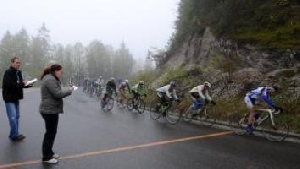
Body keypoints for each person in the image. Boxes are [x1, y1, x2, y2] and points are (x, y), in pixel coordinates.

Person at [39, 64, 74, 164]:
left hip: (51, 110)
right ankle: (46, 157)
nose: (61, 73)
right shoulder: (50, 79)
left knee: (51, 133)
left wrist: (67, 88)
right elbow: (58, 93)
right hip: (49, 110)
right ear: (55, 71)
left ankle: (49, 152)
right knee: (49, 134)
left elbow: (59, 89)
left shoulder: (51, 78)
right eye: (60, 71)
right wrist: (70, 90)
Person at [2, 57, 32, 141]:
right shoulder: (8, 73)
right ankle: (15, 135)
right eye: (16, 62)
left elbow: (19, 85)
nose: (18, 64)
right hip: (9, 98)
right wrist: (21, 84)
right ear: (12, 63)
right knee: (12, 117)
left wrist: (29, 84)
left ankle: (13, 134)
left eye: (19, 63)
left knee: (17, 116)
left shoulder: (19, 72)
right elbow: (10, 85)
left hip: (16, 97)